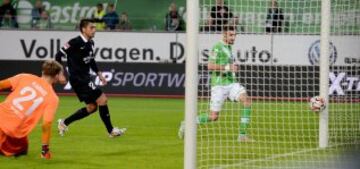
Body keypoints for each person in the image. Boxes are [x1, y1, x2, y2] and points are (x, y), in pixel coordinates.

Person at [178, 25, 253, 142]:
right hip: (219, 85)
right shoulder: (217, 47)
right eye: (231, 35)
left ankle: (242, 135)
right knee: (213, 117)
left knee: (247, 100)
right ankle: (187, 124)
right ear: (224, 35)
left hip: (231, 83)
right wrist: (228, 67)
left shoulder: (228, 48)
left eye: (235, 35)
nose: (233, 38)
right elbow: (210, 66)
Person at [55, 19, 126, 138]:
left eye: (94, 27)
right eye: (91, 27)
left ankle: (64, 123)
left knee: (92, 107)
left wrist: (99, 73)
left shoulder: (91, 43)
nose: (94, 30)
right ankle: (111, 131)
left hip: (85, 77)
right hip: (78, 79)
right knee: (103, 99)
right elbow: (58, 55)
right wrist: (60, 74)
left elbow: (91, 60)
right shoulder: (74, 42)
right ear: (83, 29)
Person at [0, 60, 65, 159]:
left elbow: (1, 85)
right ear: (56, 76)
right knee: (20, 148)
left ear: (43, 72)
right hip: (12, 129)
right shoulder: (52, 98)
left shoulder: (24, 77)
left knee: (22, 146)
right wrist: (45, 150)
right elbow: (46, 124)